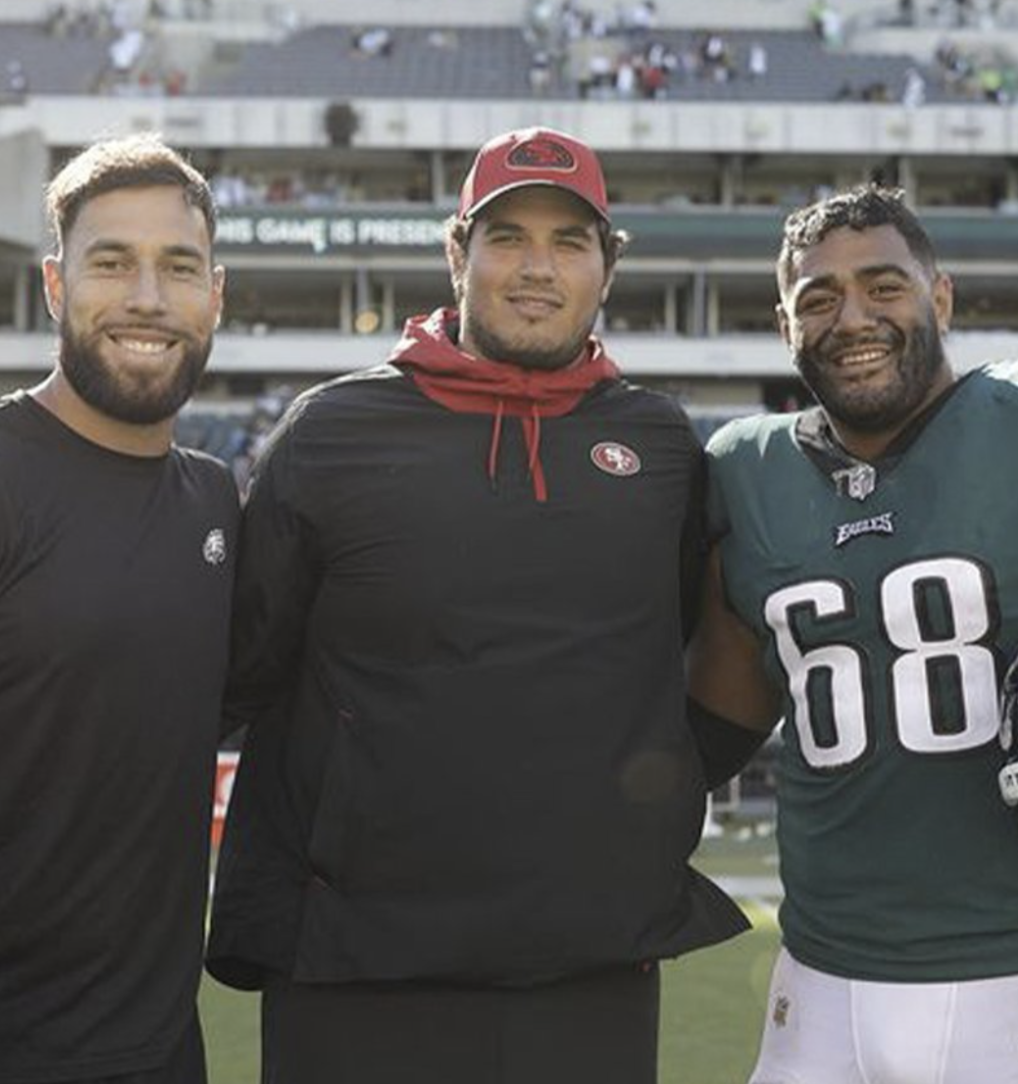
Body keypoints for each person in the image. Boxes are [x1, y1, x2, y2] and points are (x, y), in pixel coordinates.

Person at [206, 126, 748, 1084]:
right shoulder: (331, 433)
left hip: (587, 964)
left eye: (569, 242)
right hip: (357, 964)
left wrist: (631, 811)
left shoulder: (660, 448)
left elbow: (694, 650)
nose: (537, 269)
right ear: (457, 252)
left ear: (607, 269)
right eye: (507, 238)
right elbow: (244, 668)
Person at [687, 184, 1018, 1084]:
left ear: (942, 297)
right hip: (824, 981)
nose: (853, 317)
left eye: (884, 286)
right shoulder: (746, 472)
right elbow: (717, 723)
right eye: (819, 298)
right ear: (784, 324)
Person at [0, 134, 237, 1084]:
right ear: (53, 285)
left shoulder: (214, 503)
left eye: (178, 267)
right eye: (111, 263)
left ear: (216, 296)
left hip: (163, 1052)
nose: (148, 299)